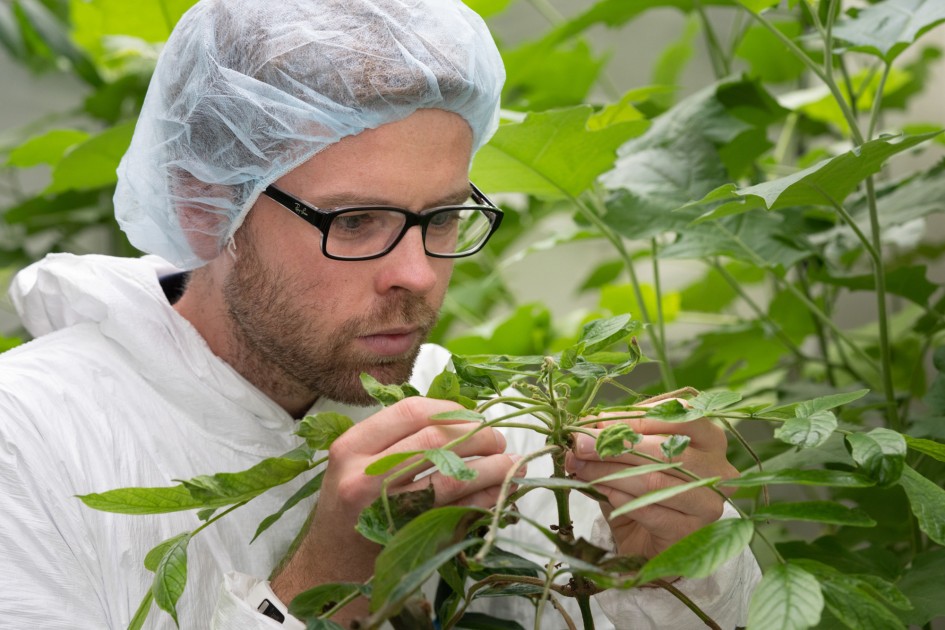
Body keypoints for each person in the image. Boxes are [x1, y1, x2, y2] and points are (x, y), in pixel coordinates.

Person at [0, 0, 760, 628]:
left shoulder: (468, 413)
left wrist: (671, 571)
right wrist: (327, 584)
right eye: (355, 222)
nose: (418, 273)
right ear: (207, 209)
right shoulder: (30, 438)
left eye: (442, 218)